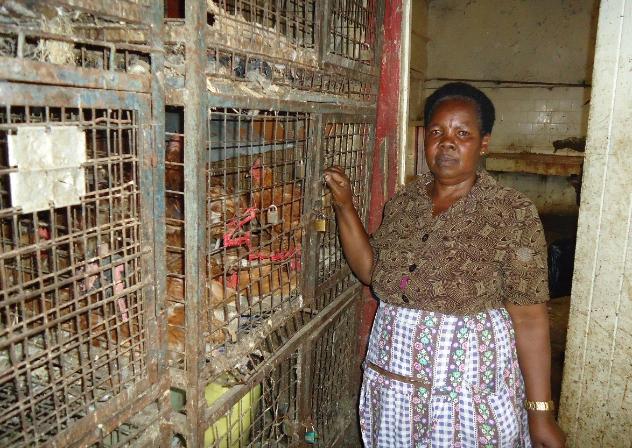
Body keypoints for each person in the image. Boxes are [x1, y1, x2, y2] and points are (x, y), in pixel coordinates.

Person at [324, 82, 566, 447]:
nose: (447, 143)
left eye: (462, 134)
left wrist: (541, 413)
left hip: (468, 390)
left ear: (484, 143)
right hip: (394, 386)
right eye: (437, 132)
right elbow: (371, 271)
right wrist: (344, 205)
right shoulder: (405, 203)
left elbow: (530, 317)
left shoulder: (511, 212)